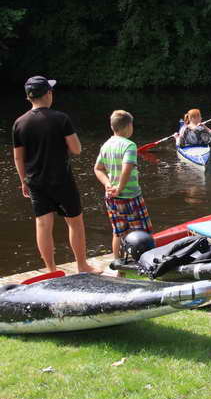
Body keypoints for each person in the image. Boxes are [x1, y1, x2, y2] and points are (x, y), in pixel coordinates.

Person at [12, 76, 99, 274]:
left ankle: (51, 270)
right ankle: (82, 265)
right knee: (75, 222)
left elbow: (18, 157)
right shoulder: (61, 118)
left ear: (29, 97)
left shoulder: (19, 123)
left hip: (35, 181)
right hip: (62, 179)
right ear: (48, 94)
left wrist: (23, 181)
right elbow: (76, 149)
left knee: (43, 224)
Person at [94, 110, 153, 259]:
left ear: (112, 127)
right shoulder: (129, 145)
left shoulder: (106, 145)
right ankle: (145, 262)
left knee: (118, 232)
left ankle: (118, 262)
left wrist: (108, 184)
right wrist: (119, 188)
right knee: (143, 232)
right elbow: (127, 169)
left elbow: (98, 168)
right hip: (130, 196)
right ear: (128, 126)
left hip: (112, 198)